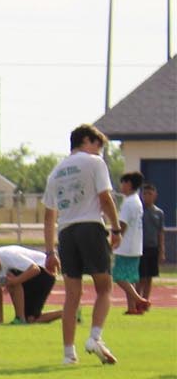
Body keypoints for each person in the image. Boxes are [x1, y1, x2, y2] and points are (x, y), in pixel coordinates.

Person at [42, 124, 120, 366]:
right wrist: (116, 228)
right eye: (98, 146)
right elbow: (105, 198)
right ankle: (95, 337)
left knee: (72, 295)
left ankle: (68, 353)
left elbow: (48, 215)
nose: (100, 152)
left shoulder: (55, 172)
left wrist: (49, 252)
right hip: (90, 226)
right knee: (104, 287)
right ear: (87, 140)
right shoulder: (94, 163)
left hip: (66, 232)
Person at [0, 244, 59, 324]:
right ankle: (67, 312)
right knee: (31, 319)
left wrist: (16, 281)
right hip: (29, 278)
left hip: (46, 271)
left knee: (11, 276)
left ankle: (20, 318)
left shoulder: (7, 255)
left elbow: (35, 269)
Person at [113, 172, 150, 315]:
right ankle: (132, 307)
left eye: (123, 183)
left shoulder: (128, 202)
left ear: (128, 184)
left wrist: (115, 240)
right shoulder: (137, 201)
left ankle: (138, 299)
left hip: (125, 246)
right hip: (135, 245)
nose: (121, 186)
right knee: (129, 278)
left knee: (119, 276)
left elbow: (122, 224)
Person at [139, 180, 162, 301]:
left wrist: (161, 251)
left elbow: (160, 232)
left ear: (155, 195)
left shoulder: (159, 213)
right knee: (141, 276)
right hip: (140, 247)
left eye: (150, 193)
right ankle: (138, 300)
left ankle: (146, 300)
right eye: (145, 193)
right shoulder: (139, 211)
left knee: (149, 277)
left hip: (153, 247)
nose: (147, 196)